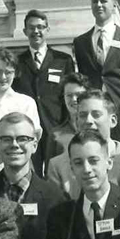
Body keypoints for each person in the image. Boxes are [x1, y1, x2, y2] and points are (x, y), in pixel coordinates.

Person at [0, 112, 66, 239]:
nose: (14, 144)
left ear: (34, 146)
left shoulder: (54, 197)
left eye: (22, 139)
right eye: (6, 139)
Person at [13, 9, 76, 171]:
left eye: (40, 27)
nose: (36, 31)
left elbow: (70, 93)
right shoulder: (17, 62)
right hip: (27, 129)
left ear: (47, 30)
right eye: (31, 27)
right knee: (31, 173)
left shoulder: (63, 60)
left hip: (55, 127)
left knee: (57, 172)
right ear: (25, 31)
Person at [48, 90, 120, 199]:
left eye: (96, 115)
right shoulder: (58, 166)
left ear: (113, 120)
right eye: (82, 115)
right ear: (77, 122)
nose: (88, 120)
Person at [47, 73, 90, 158]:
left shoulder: (96, 128)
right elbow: (50, 169)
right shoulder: (55, 135)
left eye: (78, 94)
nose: (74, 99)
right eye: (69, 95)